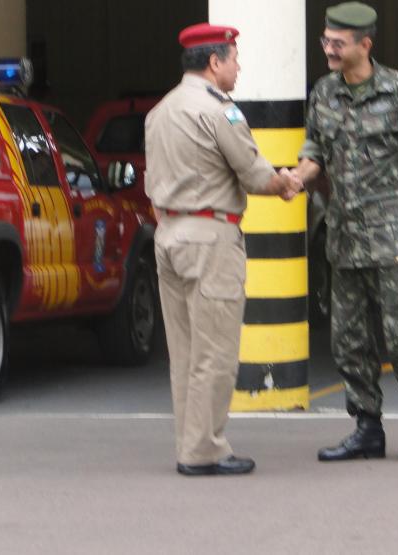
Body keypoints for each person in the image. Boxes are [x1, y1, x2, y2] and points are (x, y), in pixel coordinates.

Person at [293, 1, 398, 463]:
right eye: (325, 41)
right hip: (343, 238)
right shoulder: (323, 92)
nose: (329, 50)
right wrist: (295, 179)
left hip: (394, 238)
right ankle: (367, 428)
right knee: (348, 340)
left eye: (337, 43)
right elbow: (313, 152)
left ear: (365, 44)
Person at [145, 22, 302, 476]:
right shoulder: (220, 111)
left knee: (186, 353)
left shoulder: (160, 111)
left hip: (169, 235)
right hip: (210, 239)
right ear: (214, 63)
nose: (239, 67)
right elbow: (255, 175)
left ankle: (189, 443)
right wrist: (286, 182)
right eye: (234, 58)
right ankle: (204, 450)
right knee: (215, 351)